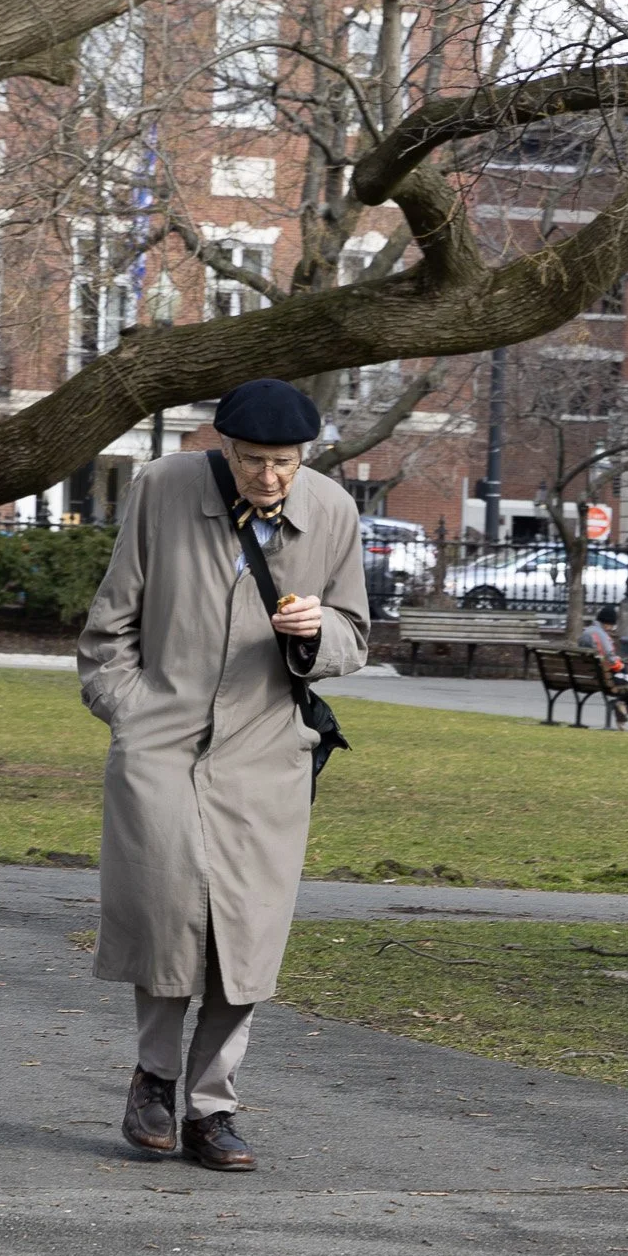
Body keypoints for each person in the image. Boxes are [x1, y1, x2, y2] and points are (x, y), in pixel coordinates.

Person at [77, 379, 370, 1172]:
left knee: (245, 936)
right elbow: (109, 627)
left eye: (283, 462)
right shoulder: (163, 489)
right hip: (162, 745)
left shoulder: (334, 513)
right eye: (251, 460)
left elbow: (356, 633)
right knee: (168, 916)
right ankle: (154, 1080)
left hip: (266, 755)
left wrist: (318, 632)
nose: (268, 477)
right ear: (221, 445)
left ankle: (213, 1108)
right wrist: (130, 713)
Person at [577, 604, 628, 726]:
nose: (611, 628)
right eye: (612, 625)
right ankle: (624, 713)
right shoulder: (599, 634)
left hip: (591, 676)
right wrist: (621, 665)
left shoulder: (586, 632)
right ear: (607, 623)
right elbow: (610, 659)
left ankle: (622, 707)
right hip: (607, 677)